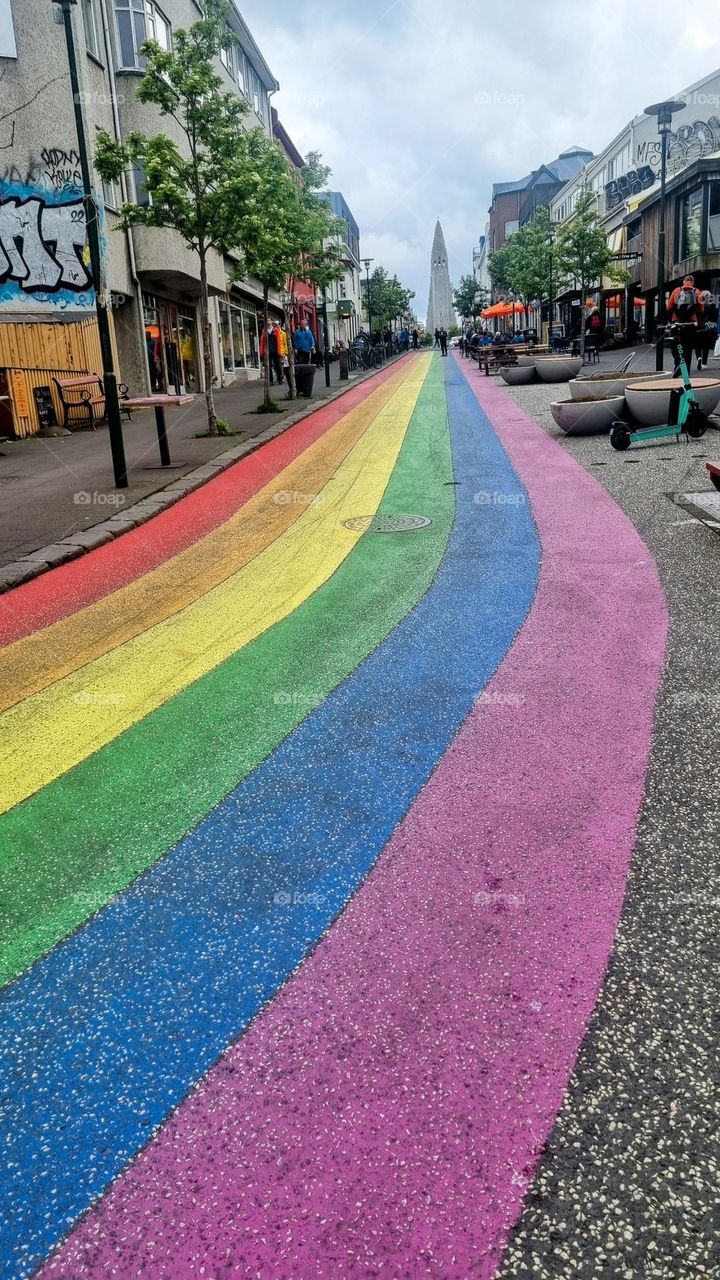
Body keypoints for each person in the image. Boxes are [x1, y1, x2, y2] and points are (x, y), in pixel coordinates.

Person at [668, 275, 705, 373]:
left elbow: (669, 307)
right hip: (691, 324)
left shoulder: (676, 291)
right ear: (692, 283)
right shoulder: (697, 292)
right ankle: (686, 373)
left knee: (675, 344)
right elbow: (701, 310)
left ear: (684, 281)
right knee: (688, 348)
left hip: (677, 322)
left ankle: (678, 364)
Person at [697, 290, 718, 371]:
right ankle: (704, 363)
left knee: (698, 344)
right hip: (708, 327)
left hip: (698, 326)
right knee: (706, 345)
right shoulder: (712, 305)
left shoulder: (699, 304)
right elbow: (715, 316)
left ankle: (699, 357)